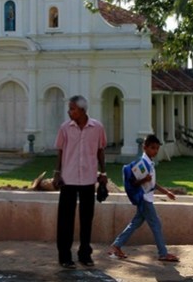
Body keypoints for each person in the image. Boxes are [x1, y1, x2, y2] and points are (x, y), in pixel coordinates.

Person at [53, 95, 107, 269]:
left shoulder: (97, 127)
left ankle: (85, 254)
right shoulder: (65, 128)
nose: (69, 112)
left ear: (82, 110)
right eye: (69, 109)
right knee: (65, 219)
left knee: (86, 219)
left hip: (88, 179)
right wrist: (57, 173)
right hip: (68, 179)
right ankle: (64, 256)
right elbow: (60, 151)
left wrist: (103, 173)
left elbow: (100, 151)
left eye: (72, 109)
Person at [108, 134, 179, 262]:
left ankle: (116, 245)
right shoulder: (141, 163)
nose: (155, 151)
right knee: (156, 224)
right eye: (152, 148)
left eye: (157, 148)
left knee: (135, 223)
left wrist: (166, 192)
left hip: (146, 198)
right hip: (145, 199)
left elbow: (152, 183)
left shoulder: (149, 162)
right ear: (144, 147)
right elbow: (134, 182)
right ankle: (163, 253)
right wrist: (143, 180)